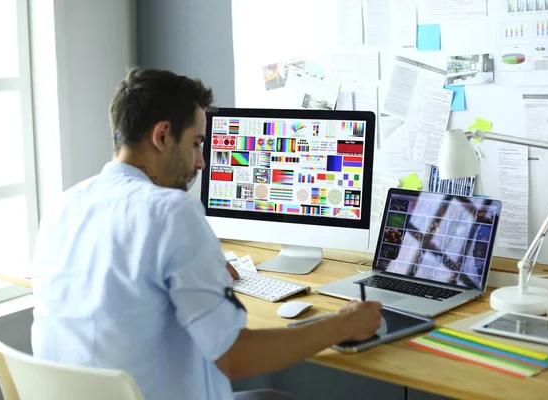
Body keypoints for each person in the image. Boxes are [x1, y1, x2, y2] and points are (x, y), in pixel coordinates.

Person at [30, 67, 382, 400]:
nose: (201, 162)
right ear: (163, 135)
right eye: (197, 143)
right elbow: (234, 357)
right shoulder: (170, 211)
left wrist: (204, 272)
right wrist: (340, 325)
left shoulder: (63, 206)